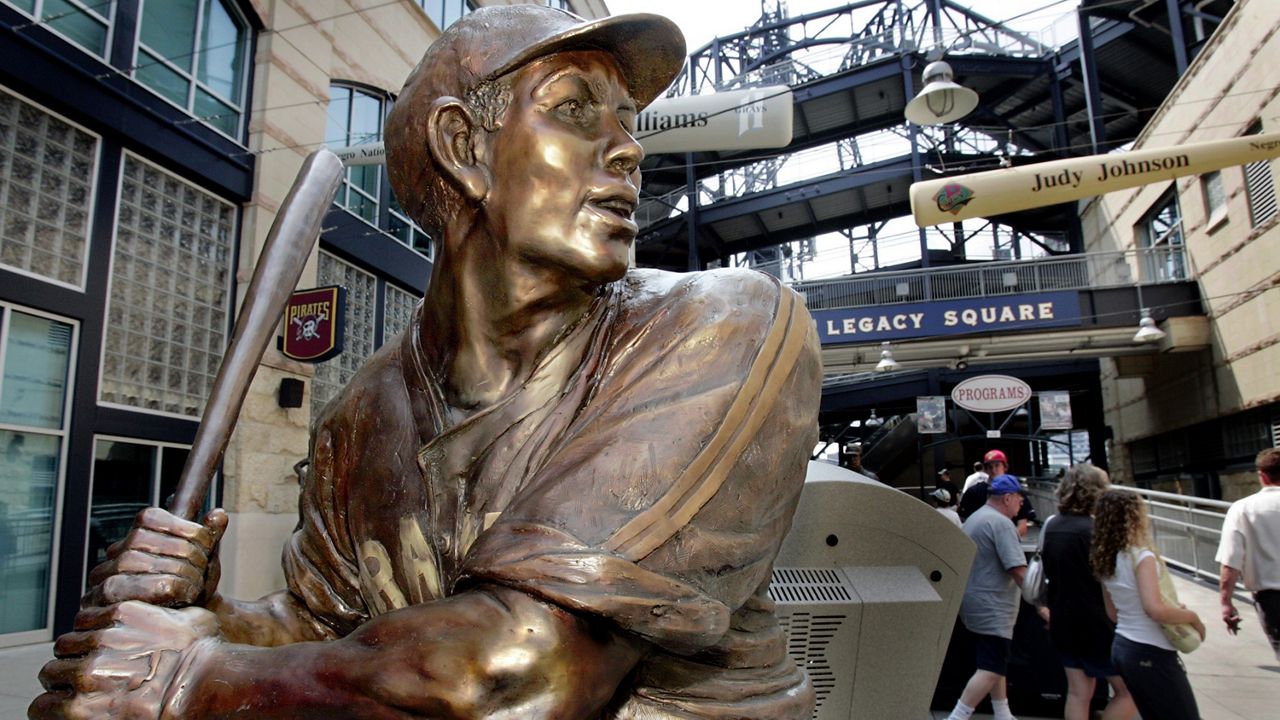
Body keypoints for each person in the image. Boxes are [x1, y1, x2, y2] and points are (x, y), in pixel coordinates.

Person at [31, 7, 823, 720]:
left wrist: (189, 677)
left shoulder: (722, 325)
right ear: (461, 148)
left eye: (624, 120)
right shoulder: (366, 411)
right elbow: (325, 629)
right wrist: (198, 617)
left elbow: (519, 673)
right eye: (576, 110)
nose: (627, 150)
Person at [1091, 489, 1205, 720]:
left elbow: (1112, 612)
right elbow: (1154, 609)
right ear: (1135, 517)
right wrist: (1192, 617)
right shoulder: (1142, 557)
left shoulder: (1106, 559)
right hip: (1150, 649)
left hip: (1123, 647)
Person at [1040, 465, 1135, 720]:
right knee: (1129, 691)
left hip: (1063, 620)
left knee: (1078, 693)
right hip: (1098, 624)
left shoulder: (1051, 526)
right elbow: (1111, 581)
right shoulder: (1096, 531)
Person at [946, 475, 1028, 720]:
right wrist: (1041, 603)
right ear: (1008, 498)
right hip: (994, 606)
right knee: (991, 667)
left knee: (994, 662)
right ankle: (957, 717)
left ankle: (1002, 712)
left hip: (974, 602)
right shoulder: (1001, 524)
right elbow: (1018, 569)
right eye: (1020, 499)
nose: (1021, 505)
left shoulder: (976, 517)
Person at [1216, 447, 1280, 661]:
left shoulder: (1242, 509)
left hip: (1273, 600)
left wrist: (1226, 602)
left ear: (1261, 475)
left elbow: (1230, 562)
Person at [958, 449, 1006, 521]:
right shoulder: (973, 491)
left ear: (1005, 467)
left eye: (997, 465)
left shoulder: (1014, 490)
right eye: (990, 467)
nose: (993, 470)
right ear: (985, 469)